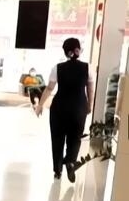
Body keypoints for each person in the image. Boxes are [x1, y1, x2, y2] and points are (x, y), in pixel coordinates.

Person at [34, 38, 94, 183]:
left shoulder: (57, 68)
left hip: (59, 108)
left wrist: (40, 105)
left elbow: (49, 88)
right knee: (75, 138)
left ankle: (57, 170)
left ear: (66, 52)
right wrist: (89, 105)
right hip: (79, 108)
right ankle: (71, 161)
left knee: (57, 139)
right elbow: (90, 89)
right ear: (78, 50)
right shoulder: (88, 68)